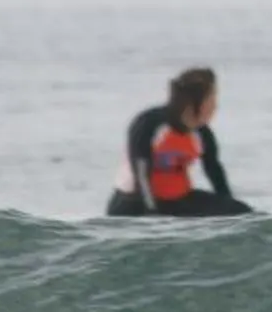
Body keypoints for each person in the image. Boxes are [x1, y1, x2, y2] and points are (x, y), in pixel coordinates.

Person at [107, 67, 255, 218]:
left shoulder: (202, 133)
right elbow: (142, 175)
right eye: (212, 98)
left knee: (243, 212)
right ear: (194, 102)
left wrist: (231, 215)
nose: (216, 106)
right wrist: (152, 215)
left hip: (177, 202)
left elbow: (214, 171)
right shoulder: (149, 124)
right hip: (133, 203)